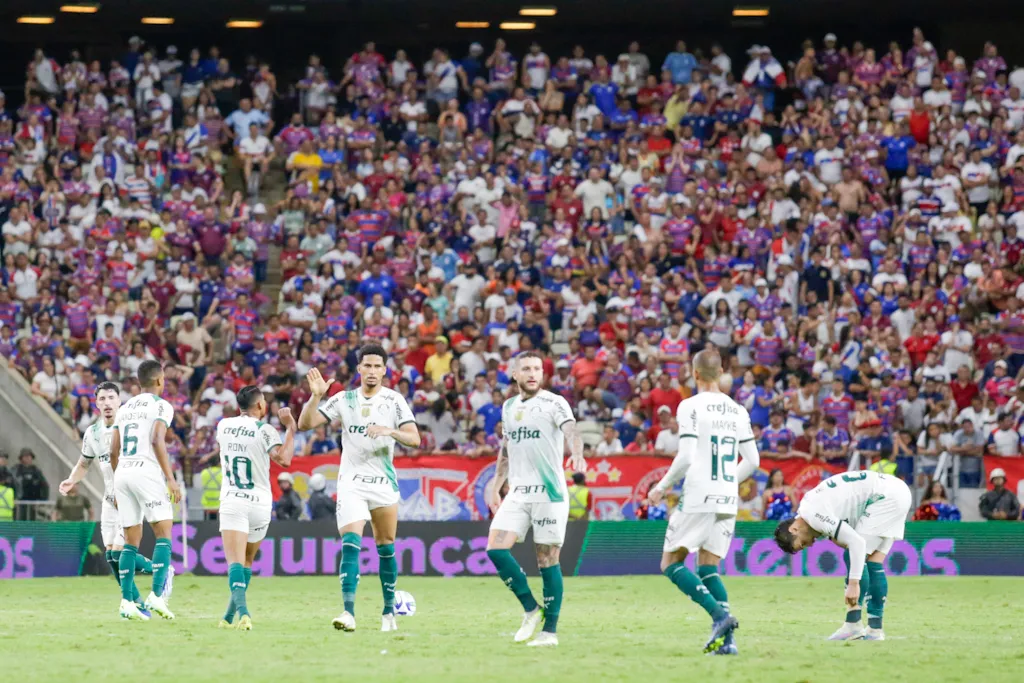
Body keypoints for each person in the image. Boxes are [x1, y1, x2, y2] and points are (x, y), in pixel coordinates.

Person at [297, 344, 421, 633]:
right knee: (351, 543)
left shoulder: (393, 400)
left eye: (378, 366)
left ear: (385, 370)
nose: (373, 371)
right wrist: (315, 397)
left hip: (383, 483)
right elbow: (305, 424)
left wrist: (390, 431)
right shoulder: (343, 399)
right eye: (368, 366)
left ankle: (389, 612)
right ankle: (348, 612)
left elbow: (415, 439)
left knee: (385, 546)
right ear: (359, 369)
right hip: (351, 483)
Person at [647, 349, 760, 655]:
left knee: (670, 563)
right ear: (721, 371)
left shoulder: (689, 406)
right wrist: (727, 482)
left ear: (694, 374)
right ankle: (727, 644)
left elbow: (685, 457)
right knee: (709, 566)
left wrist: (661, 486)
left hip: (699, 494)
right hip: (727, 496)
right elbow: (752, 460)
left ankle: (721, 617)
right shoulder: (737, 410)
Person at [486, 350, 586, 648]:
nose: (532, 374)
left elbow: (572, 431)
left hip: (549, 492)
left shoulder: (554, 402)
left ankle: (549, 632)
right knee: (495, 549)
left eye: (537, 369)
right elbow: (506, 448)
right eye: (526, 369)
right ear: (514, 374)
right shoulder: (508, 407)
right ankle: (531, 609)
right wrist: (496, 484)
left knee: (546, 559)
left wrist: (578, 453)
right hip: (517, 492)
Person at [774, 470, 913, 641]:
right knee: (873, 563)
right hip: (896, 491)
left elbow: (857, 543)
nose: (810, 545)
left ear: (794, 528)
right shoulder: (810, 509)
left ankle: (853, 624)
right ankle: (875, 630)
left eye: (802, 543)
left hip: (885, 497)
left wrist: (853, 584)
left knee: (854, 554)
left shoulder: (814, 514)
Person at [59, 382, 154, 613]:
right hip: (109, 500)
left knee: (121, 553)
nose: (107, 402)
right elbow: (84, 463)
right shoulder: (92, 433)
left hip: (129, 497)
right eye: (102, 399)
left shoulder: (130, 426)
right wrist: (72, 480)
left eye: (111, 397)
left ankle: (159, 571)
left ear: (119, 401)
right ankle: (138, 602)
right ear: (96, 403)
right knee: (111, 555)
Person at [216, 386, 296, 630]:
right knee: (247, 560)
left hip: (233, 500)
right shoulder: (265, 429)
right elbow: (284, 459)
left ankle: (244, 613)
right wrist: (291, 427)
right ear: (260, 406)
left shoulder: (223, 425)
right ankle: (229, 617)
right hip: (260, 501)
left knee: (235, 563)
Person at [109, 360, 181, 621]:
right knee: (163, 533)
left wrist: (118, 483)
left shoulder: (125, 407)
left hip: (123, 473)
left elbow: (112, 451)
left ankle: (127, 601)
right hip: (145, 471)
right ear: (160, 380)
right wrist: (171, 479)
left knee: (131, 540)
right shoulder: (162, 405)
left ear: (140, 382)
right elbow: (156, 439)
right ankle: (157, 596)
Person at [13, 449, 49, 521]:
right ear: (21, 458)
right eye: (25, 456)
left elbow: (45, 486)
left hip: (34, 504)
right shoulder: (16, 470)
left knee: (32, 524)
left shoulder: (36, 471)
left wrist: (42, 501)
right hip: (20, 504)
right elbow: (12, 484)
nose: (28, 458)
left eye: (29, 456)